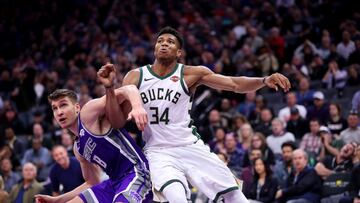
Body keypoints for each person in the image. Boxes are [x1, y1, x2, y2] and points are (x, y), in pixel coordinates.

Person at [120, 26, 291, 202]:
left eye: (170, 42)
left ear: (179, 52)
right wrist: (110, 90)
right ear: (155, 48)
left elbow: (233, 83)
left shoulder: (192, 74)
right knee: (176, 198)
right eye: (160, 41)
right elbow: (117, 116)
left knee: (234, 195)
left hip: (189, 145)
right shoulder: (135, 76)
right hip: (158, 151)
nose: (164, 44)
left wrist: (263, 80)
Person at [35, 65, 152, 203]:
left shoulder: (88, 114)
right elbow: (92, 181)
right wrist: (57, 200)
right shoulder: (78, 148)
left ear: (77, 107)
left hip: (137, 172)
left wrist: (137, 107)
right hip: (113, 183)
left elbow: (129, 89)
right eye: (55, 108)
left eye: (63, 105)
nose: (59, 112)